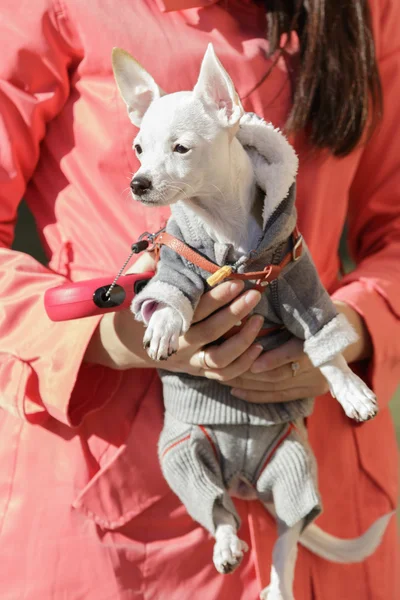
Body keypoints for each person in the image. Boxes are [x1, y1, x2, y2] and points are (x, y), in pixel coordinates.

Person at [0, 0, 398, 598]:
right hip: (126, 532)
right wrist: (115, 336)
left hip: (332, 498)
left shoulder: (369, 9)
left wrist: (351, 326)